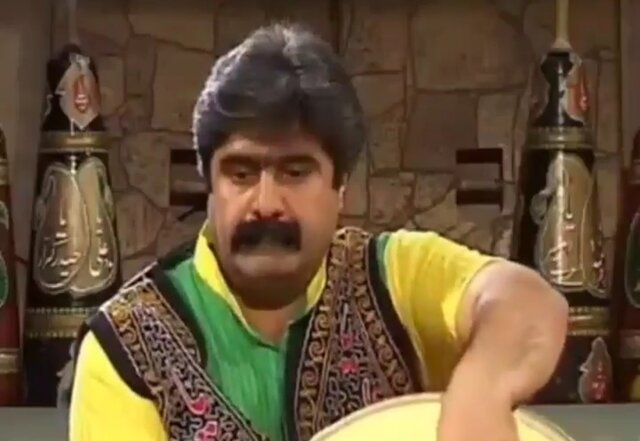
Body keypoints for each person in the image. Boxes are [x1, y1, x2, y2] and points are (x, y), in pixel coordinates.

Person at [68, 23, 568, 441]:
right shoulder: (127, 349)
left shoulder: (392, 278)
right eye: (241, 173)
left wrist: (481, 392)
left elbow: (524, 300)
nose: (266, 202)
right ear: (209, 185)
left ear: (340, 186)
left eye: (295, 172)